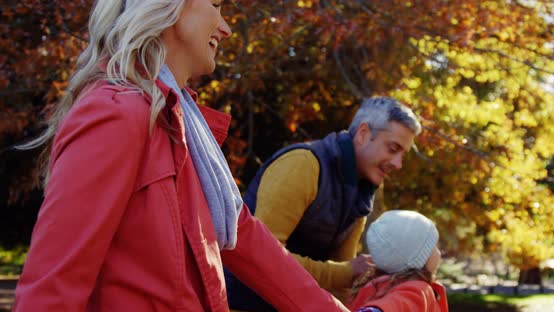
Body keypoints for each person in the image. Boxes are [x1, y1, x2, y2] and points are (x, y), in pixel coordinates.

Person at [13, 1, 348, 311]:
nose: (226, 28)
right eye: (215, 5)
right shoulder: (116, 115)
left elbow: (243, 236)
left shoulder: (183, 126)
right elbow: (52, 288)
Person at [226, 96, 423, 311]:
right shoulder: (303, 164)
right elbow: (262, 257)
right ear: (363, 133)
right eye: (393, 149)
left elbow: (341, 282)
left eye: (402, 154)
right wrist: (347, 272)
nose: (398, 164)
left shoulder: (361, 192)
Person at [348, 210, 448, 312]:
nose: (439, 252)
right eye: (434, 246)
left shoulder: (375, 286)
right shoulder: (415, 291)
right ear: (421, 258)